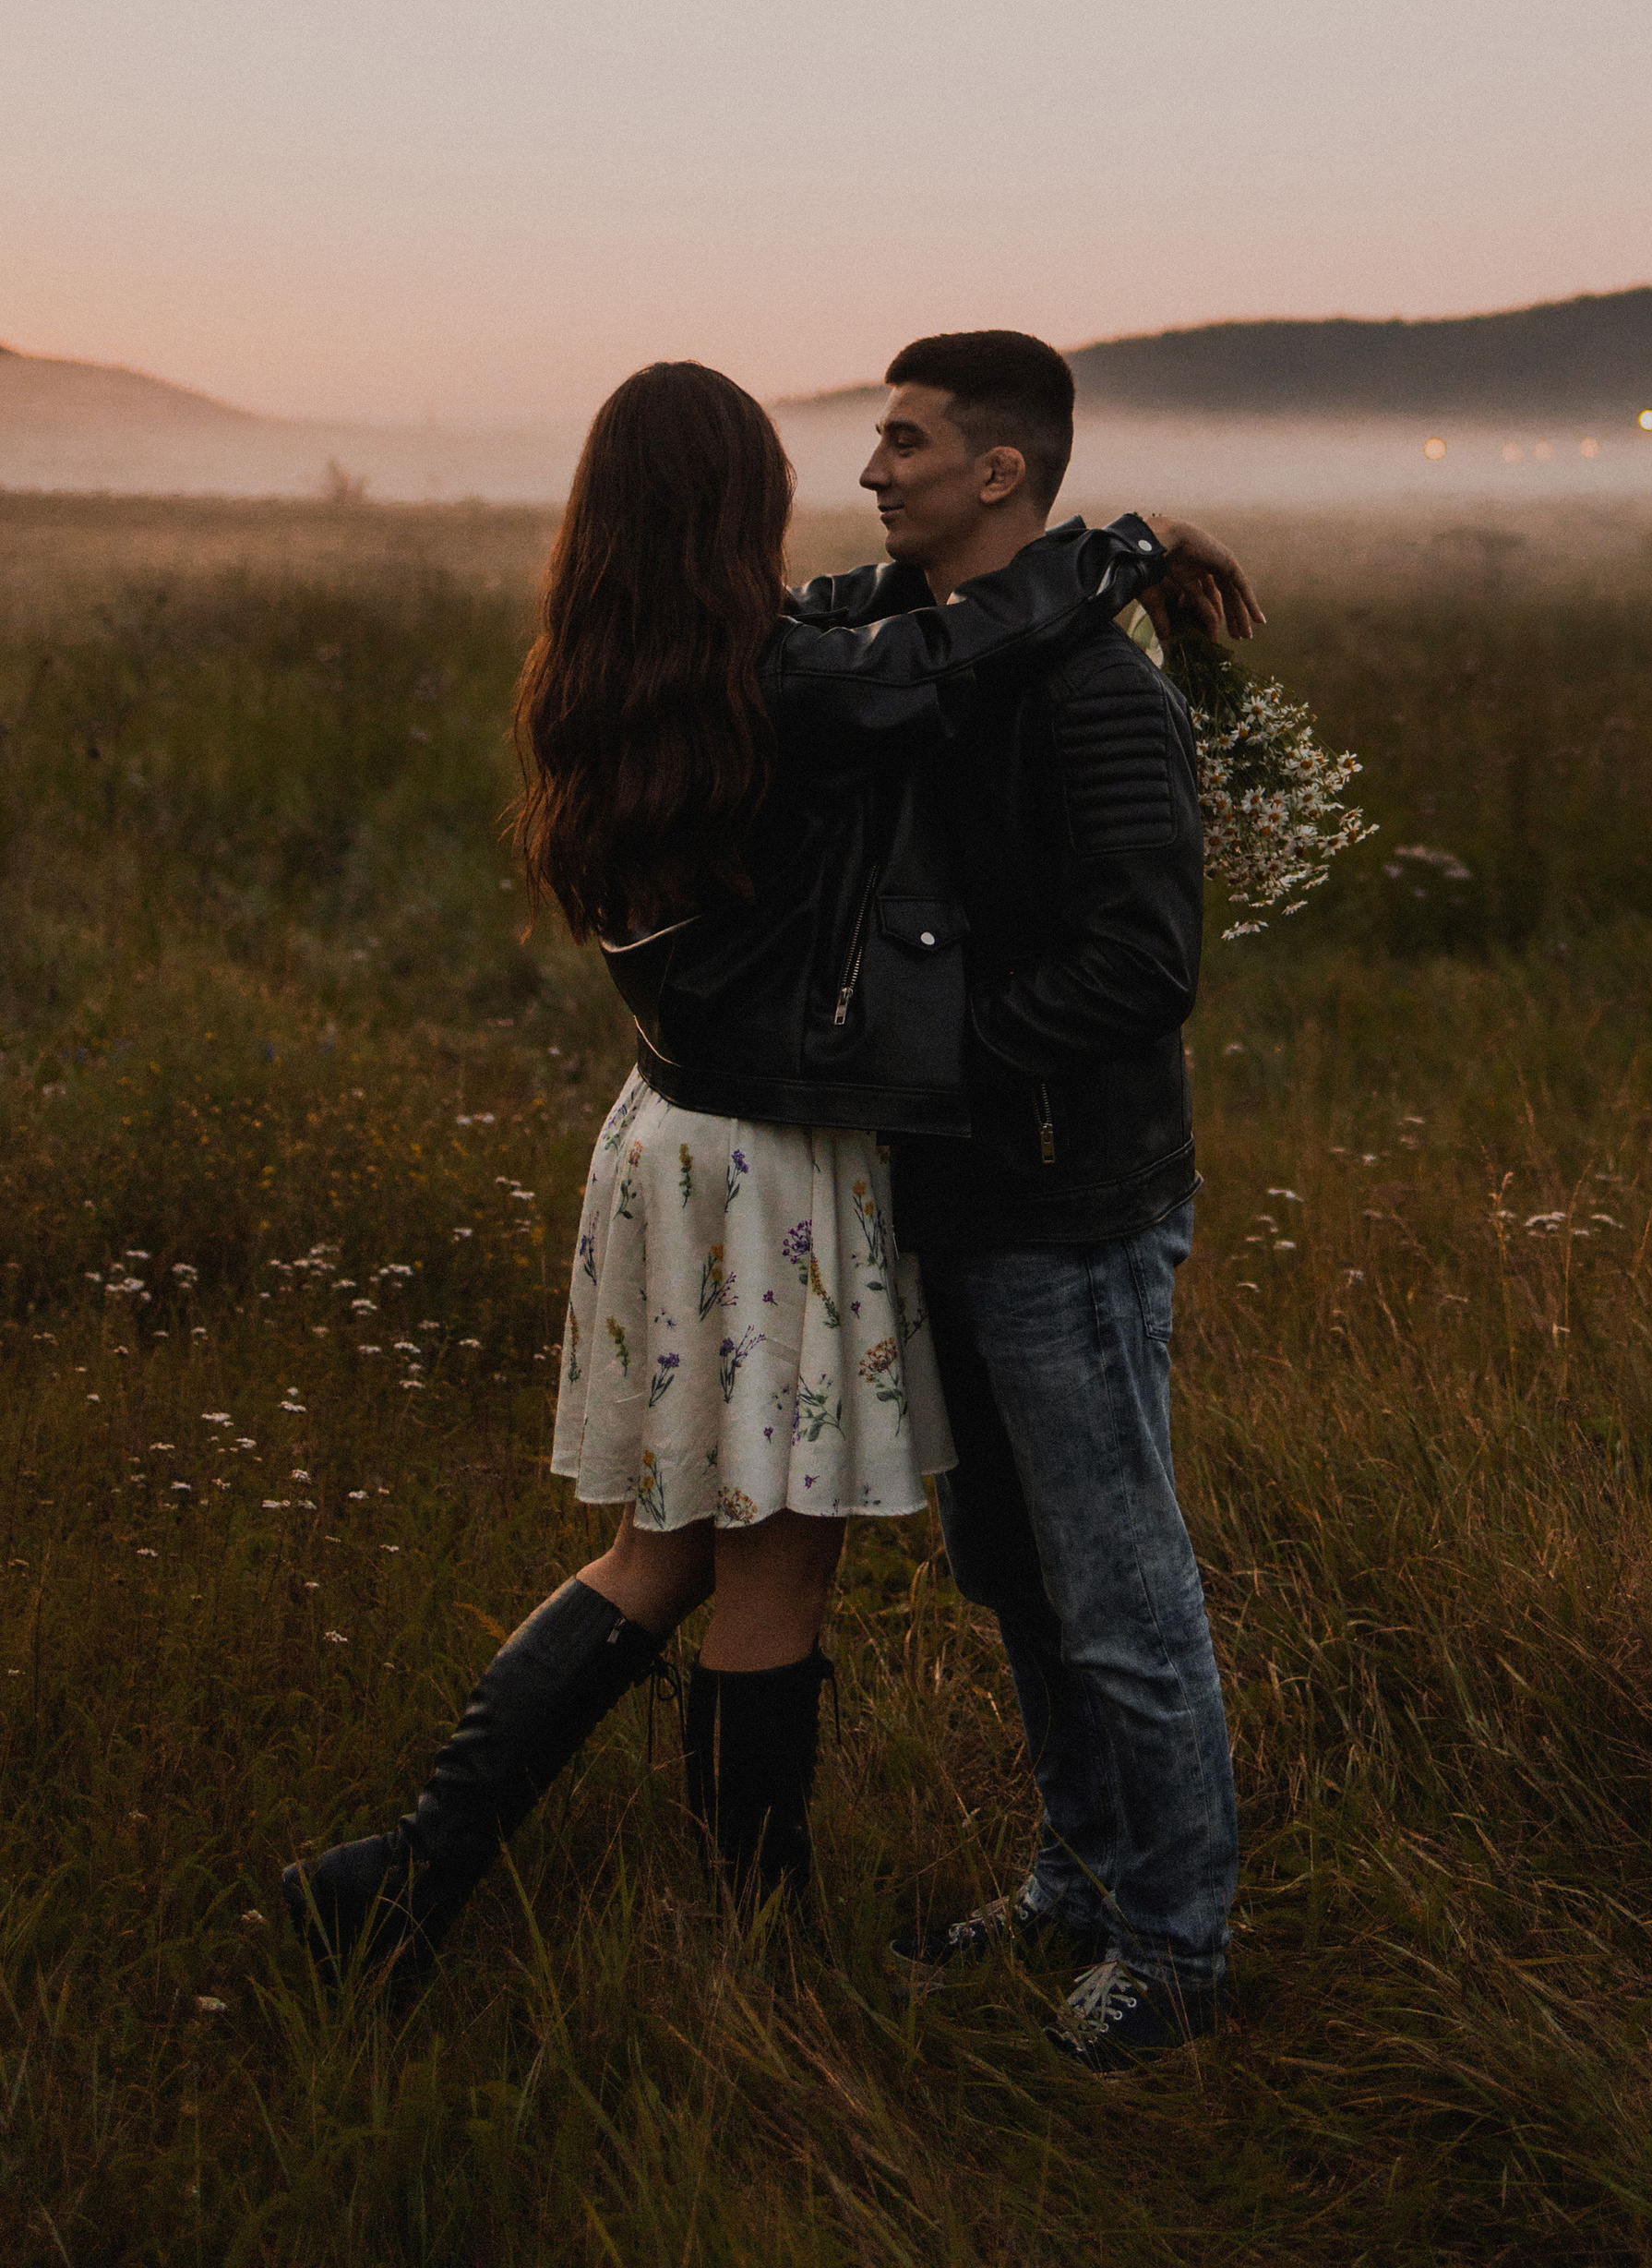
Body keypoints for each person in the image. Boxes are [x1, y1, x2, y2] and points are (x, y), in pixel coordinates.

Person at [281, 360, 1252, 1979]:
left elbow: (895, 637)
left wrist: (1087, 560)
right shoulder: (781, 677)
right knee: (767, 1568)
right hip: (771, 1170)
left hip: (671, 1142)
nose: (856, 474)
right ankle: (759, 1954)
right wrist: (1122, 550)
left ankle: (403, 1883)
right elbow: (933, 653)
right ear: (729, 509)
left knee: (663, 1548)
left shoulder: (622, 660)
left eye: (897, 442)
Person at [788, 330, 1251, 2070]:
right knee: (1013, 1573)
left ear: (1001, 473)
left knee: (1120, 1590)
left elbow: (1146, 966)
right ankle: (1077, 1875)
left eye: (904, 444)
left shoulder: (1097, 694)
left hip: (1072, 1203)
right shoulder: (942, 652)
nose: (873, 470)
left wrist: (941, 1055)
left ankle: (1176, 1948)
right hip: (961, 1197)